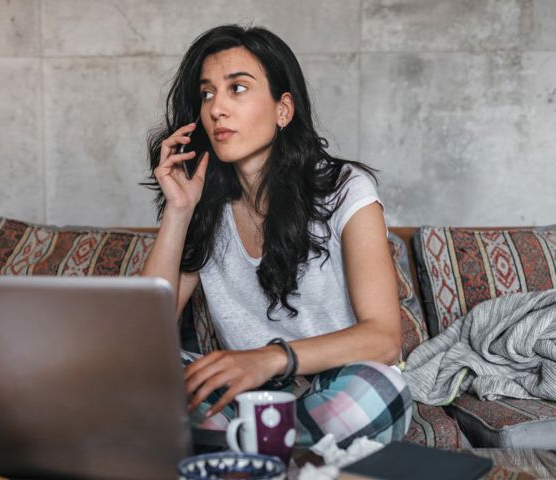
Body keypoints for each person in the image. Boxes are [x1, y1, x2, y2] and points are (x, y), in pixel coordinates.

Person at [141, 25, 411, 448]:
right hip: (246, 399)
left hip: (335, 384)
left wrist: (270, 358)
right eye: (208, 93)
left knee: (381, 390)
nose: (217, 109)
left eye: (238, 89)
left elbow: (383, 338)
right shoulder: (204, 204)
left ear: (283, 110)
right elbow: (145, 332)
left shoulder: (344, 189)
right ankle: (274, 446)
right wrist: (179, 211)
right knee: (141, 371)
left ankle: (240, 446)